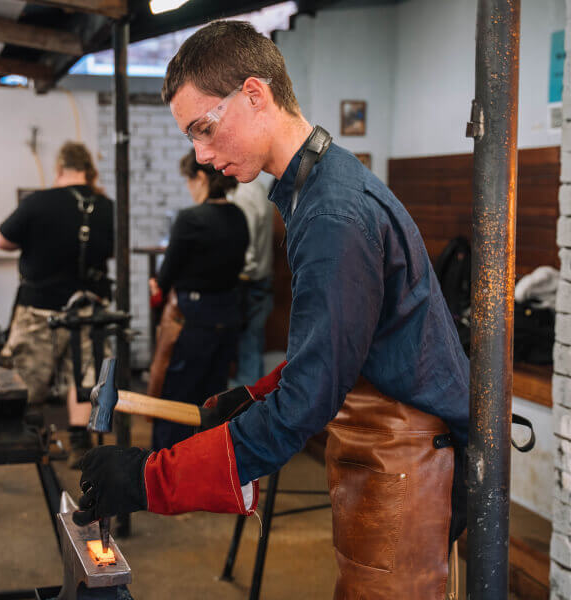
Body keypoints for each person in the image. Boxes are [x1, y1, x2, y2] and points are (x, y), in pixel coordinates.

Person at [73, 21, 470, 599]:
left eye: (205, 129)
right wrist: (251, 398)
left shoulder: (333, 214)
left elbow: (309, 398)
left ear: (255, 95)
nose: (202, 155)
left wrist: (147, 478)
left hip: (406, 453)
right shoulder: (318, 185)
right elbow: (343, 344)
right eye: (192, 138)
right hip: (387, 437)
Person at [0, 141, 114, 467]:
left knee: (28, 378)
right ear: (89, 169)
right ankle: (80, 441)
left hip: (40, 309)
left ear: (59, 168)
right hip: (88, 308)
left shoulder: (38, 202)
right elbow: (113, 249)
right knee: (84, 375)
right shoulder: (106, 206)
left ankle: (24, 438)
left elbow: (1, 240)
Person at [146, 150, 248, 450]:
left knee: (175, 398)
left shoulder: (190, 218)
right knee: (212, 399)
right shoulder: (238, 216)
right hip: (228, 314)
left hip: (193, 316)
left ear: (201, 177)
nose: (189, 187)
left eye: (189, 180)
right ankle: (204, 462)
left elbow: (167, 273)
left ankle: (165, 468)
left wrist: (159, 283)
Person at [227, 178, 274, 386]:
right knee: (251, 346)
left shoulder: (243, 195)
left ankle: (246, 409)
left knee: (248, 348)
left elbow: (247, 252)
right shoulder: (256, 188)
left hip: (249, 281)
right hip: (259, 279)